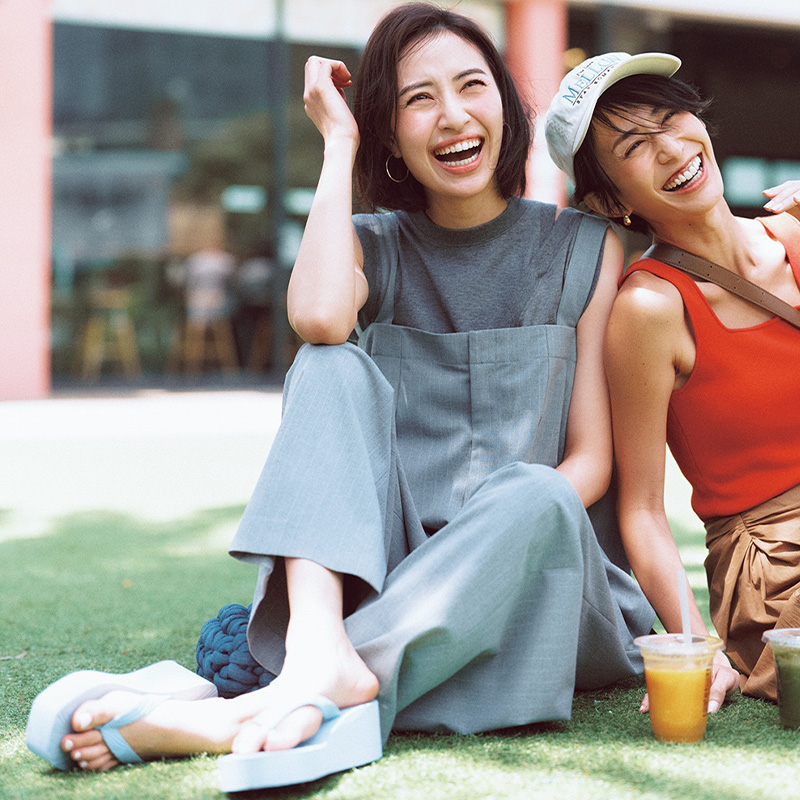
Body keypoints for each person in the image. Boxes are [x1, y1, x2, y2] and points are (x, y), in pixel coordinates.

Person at [28, 5, 654, 786]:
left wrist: (476, 559)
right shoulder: (370, 245)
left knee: (536, 492)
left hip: (539, 573)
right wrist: (335, 143)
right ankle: (323, 653)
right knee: (328, 362)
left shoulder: (584, 247)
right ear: (388, 132)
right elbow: (322, 317)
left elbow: (590, 460)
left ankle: (249, 706)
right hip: (387, 571)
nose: (453, 115)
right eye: (419, 99)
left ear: (504, 103)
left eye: (471, 87)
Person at [544, 51, 800, 710]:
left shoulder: (794, 235)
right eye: (633, 144)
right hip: (774, 563)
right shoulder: (651, 308)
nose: (669, 147)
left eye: (669, 117)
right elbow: (642, 512)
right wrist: (692, 643)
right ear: (609, 198)